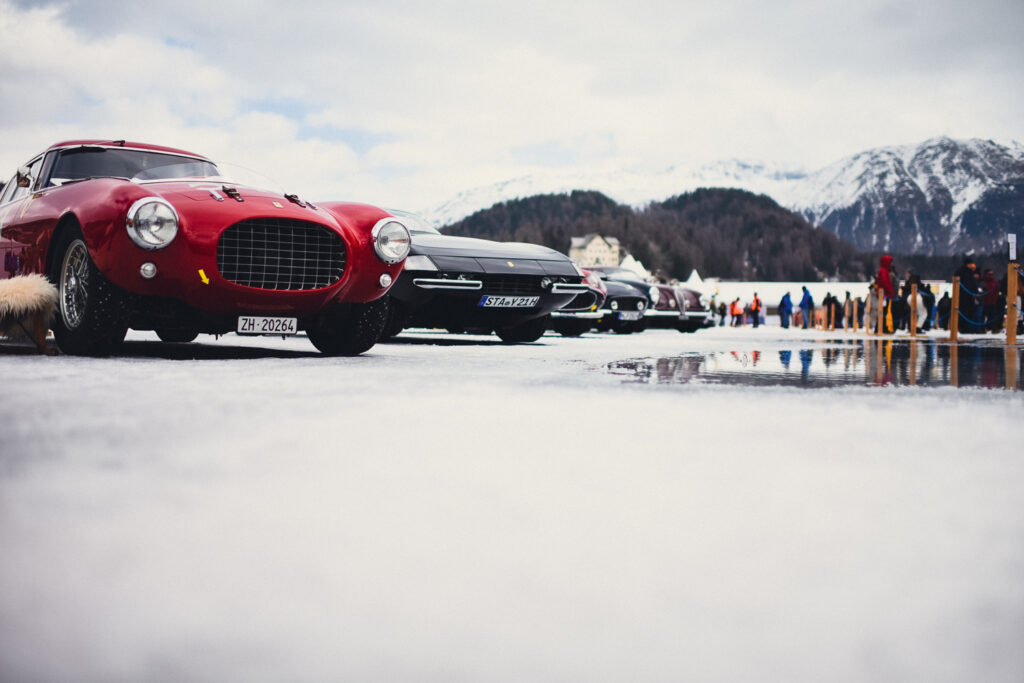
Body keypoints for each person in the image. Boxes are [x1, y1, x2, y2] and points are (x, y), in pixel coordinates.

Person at [954, 258, 981, 333]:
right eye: (970, 264)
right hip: (964, 296)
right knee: (965, 312)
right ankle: (963, 328)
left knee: (968, 312)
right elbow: (970, 284)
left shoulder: (967, 272)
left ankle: (965, 328)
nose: (971, 265)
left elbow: (972, 283)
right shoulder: (964, 272)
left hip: (967, 295)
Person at [980, 268, 1002, 332]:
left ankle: (992, 328)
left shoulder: (994, 282)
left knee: (992, 316)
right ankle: (982, 329)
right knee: (983, 316)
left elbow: (997, 289)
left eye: (992, 274)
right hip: (984, 302)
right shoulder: (982, 281)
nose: (991, 276)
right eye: (989, 274)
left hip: (993, 302)